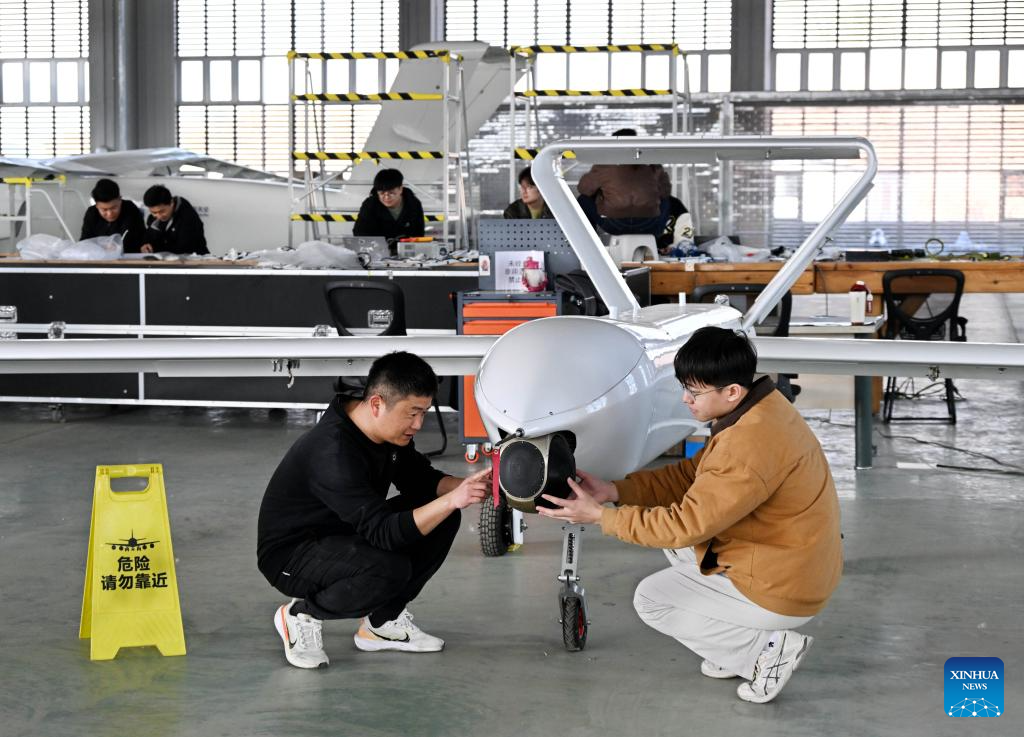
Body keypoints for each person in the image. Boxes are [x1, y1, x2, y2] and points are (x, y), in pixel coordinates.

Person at [537, 326, 842, 704]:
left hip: (785, 587)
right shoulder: (760, 408)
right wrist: (616, 491)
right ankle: (727, 647)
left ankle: (763, 653)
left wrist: (601, 517)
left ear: (731, 391)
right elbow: (690, 475)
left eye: (694, 392)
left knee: (652, 599)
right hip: (789, 557)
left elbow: (683, 525)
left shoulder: (748, 444)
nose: (685, 400)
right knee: (682, 551)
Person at [257, 351, 490, 669]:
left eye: (424, 413)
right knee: (388, 569)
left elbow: (420, 480)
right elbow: (384, 533)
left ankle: (381, 624)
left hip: (345, 532)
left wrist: (474, 485)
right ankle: (302, 615)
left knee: (442, 519)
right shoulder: (333, 452)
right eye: (413, 413)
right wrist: (452, 499)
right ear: (377, 403)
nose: (418, 425)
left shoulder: (385, 430)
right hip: (293, 555)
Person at [576, 128, 672, 236]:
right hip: (649, 225)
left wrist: (602, 192)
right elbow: (666, 191)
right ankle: (659, 239)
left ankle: (589, 241)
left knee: (583, 199)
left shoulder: (605, 164)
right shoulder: (651, 163)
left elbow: (583, 189)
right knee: (666, 200)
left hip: (615, 224)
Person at [352, 169, 425, 240]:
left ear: (400, 189)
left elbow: (419, 233)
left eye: (391, 193)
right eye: (382, 193)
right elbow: (359, 232)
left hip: (406, 249)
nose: (387, 197)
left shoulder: (413, 204)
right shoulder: (370, 205)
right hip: (377, 249)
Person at [79, 178, 146, 253]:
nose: (109, 214)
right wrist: (100, 247)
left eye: (114, 208)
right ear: (97, 205)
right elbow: (85, 241)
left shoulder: (130, 209)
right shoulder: (91, 213)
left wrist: (118, 246)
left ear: (120, 199)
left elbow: (142, 237)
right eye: (104, 210)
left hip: (128, 257)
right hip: (100, 258)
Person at [141, 184, 208, 255]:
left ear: (171, 203)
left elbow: (184, 248)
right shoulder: (153, 218)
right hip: (164, 261)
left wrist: (155, 248)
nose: (159, 216)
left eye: (162, 211)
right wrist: (145, 245)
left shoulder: (187, 216)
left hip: (194, 261)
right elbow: (149, 237)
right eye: (154, 212)